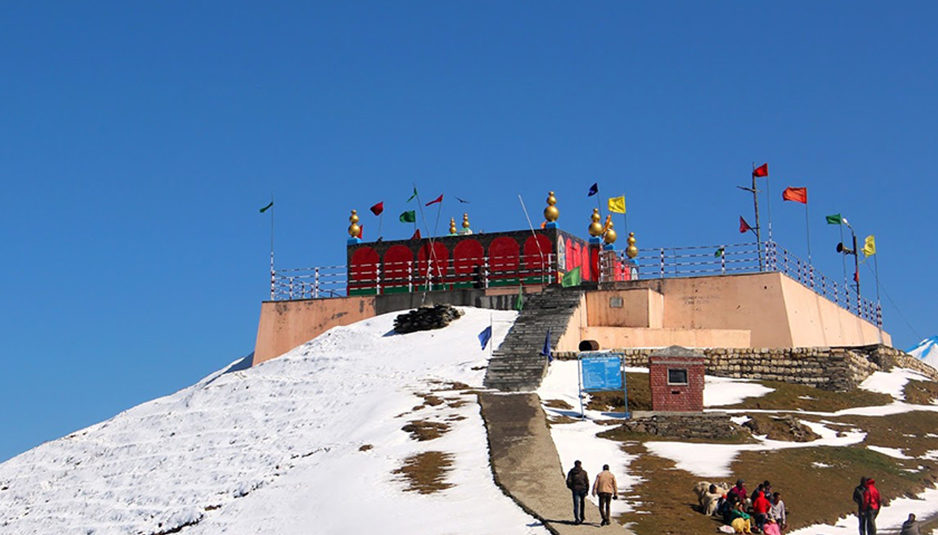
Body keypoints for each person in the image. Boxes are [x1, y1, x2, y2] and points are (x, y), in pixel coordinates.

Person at [566, 460, 589, 525]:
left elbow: (568, 481)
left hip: (575, 489)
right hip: (583, 489)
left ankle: (577, 519)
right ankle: (582, 516)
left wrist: (571, 487)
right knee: (582, 503)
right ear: (580, 464)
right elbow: (587, 482)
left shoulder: (571, 472)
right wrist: (587, 490)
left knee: (576, 504)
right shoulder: (584, 472)